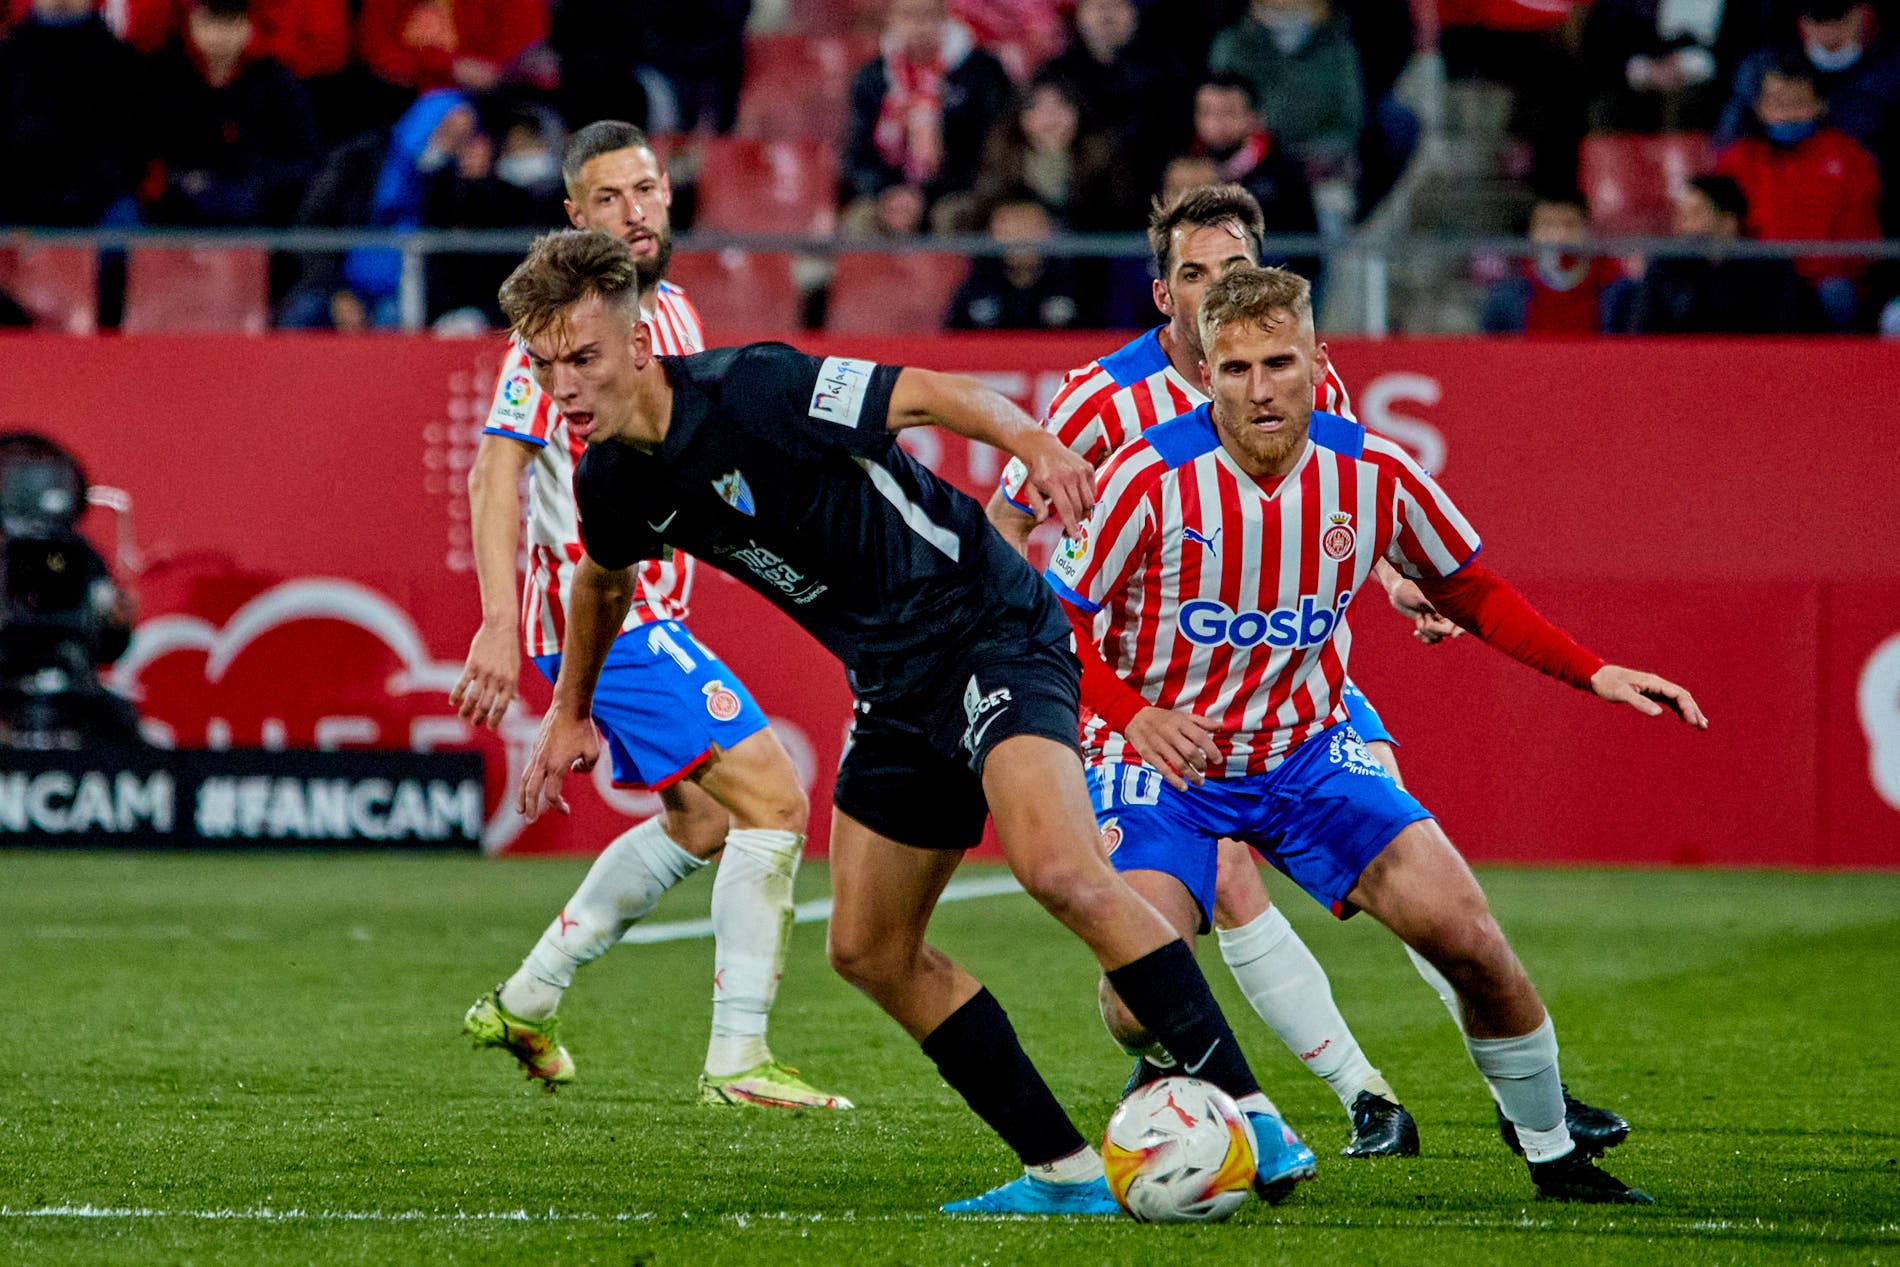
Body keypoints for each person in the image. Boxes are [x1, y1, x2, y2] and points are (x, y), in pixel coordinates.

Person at [506, 227, 1318, 1216]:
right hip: (893, 682)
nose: (565, 386)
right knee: (867, 946)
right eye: (545, 365)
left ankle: (1250, 1113)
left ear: (636, 345)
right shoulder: (613, 479)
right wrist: (567, 711)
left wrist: (1033, 443)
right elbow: (600, 577)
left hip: (987, 623)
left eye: (583, 357)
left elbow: (929, 391)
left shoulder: (756, 389)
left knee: (1059, 869)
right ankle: (1062, 1173)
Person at [986, 183, 1634, 1162]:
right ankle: (1325, 1084)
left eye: (1235, 271)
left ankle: (1517, 1097)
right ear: (1166, 293)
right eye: (1197, 276)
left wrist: (1393, 575)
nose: (1221, 300)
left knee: (1435, 901)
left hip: (1298, 690)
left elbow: (1334, 512)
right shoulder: (1102, 406)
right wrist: (1088, 694)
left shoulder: (1313, 396)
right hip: (1155, 708)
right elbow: (1018, 542)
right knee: (1203, 906)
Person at [453, 122, 850, 1113]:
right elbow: (494, 467)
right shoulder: (559, 333)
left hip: (647, 606)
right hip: (596, 620)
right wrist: (500, 621)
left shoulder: (671, 311)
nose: (635, 212)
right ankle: (737, 1059)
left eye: (647, 190)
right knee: (775, 801)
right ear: (574, 219)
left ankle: (528, 996)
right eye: (608, 198)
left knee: (708, 815)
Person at [1713, 56, 1882, 330]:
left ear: (1820, 105)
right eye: (1779, 104)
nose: (1789, 114)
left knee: (1836, 294)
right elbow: (1718, 227)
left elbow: (1861, 237)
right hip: (1756, 277)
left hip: (1823, 280)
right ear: (1760, 108)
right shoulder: (1735, 161)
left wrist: (1801, 272)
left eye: (1799, 104)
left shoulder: (1852, 159)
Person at [840, 0, 1013, 237]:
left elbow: (990, 149)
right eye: (909, 16)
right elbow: (857, 153)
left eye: (929, 15)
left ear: (945, 17)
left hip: (956, 189)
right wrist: (888, 190)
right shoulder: (872, 76)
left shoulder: (981, 71)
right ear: (892, 20)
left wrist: (926, 193)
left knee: (952, 215)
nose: (920, 25)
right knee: (861, 219)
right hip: (891, 189)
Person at [144, 0, 319, 228]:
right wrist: (185, 183)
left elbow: (302, 159)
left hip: (259, 220)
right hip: (179, 220)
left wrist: (251, 188)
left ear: (247, 26)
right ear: (192, 24)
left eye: (230, 23)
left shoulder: (276, 83)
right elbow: (149, 155)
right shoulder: (168, 80)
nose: (219, 36)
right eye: (210, 23)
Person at [1624, 175, 1828, 334]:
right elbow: (1644, 333)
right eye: (1682, 215)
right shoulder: (1666, 266)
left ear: (1728, 222)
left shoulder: (1771, 267)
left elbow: (1789, 334)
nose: (1683, 225)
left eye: (1695, 214)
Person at [1207, 0, 1365, 176]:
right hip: (1248, 167)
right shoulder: (1231, 44)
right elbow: (1215, 118)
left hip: (1322, 167)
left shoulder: (1336, 42)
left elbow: (1349, 120)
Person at [1480, 193, 1628, 335]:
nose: (1559, 235)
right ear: (1531, 232)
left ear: (1588, 229)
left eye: (1569, 225)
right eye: (1547, 225)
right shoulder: (1504, 298)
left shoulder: (1620, 293)